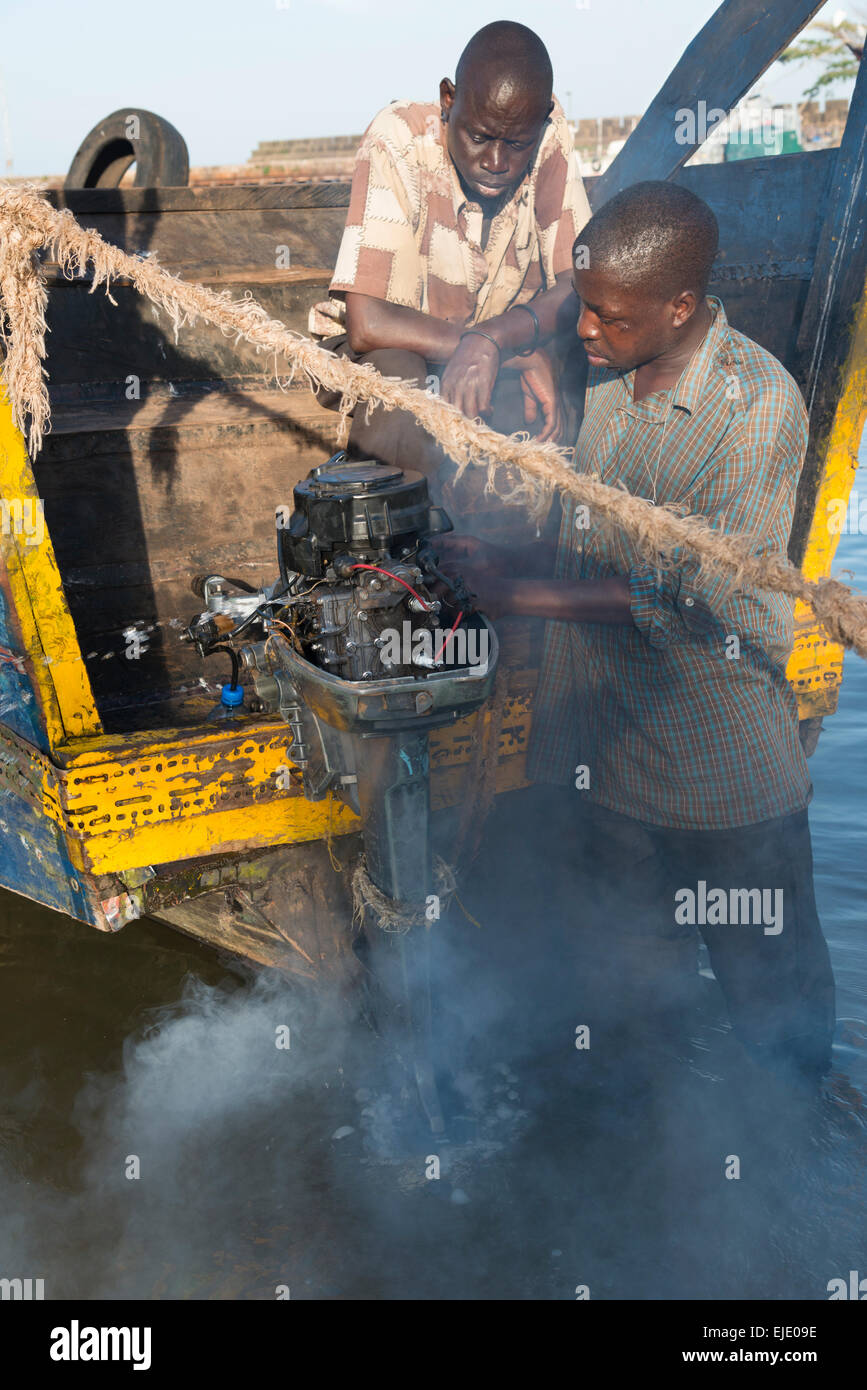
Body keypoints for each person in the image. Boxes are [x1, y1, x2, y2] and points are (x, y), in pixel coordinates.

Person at [440, 180, 836, 1081]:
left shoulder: (755, 411)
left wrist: (517, 596)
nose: (583, 330)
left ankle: (799, 1175)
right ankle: (651, 1185)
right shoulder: (612, 368)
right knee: (626, 1017)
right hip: (602, 762)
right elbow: (595, 532)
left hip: (718, 781)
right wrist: (506, 545)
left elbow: (679, 596)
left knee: (779, 1023)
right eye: (583, 308)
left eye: (607, 317)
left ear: (680, 307)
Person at [309, 20, 591, 540]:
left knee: (589, 350)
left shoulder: (551, 137)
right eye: (479, 136)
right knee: (393, 381)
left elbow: (579, 283)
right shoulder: (398, 137)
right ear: (448, 100)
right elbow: (368, 323)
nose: (497, 161)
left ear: (542, 121)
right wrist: (495, 346)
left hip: (499, 346)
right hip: (391, 345)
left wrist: (500, 342)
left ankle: (552, 548)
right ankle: (405, 561)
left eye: (516, 144)